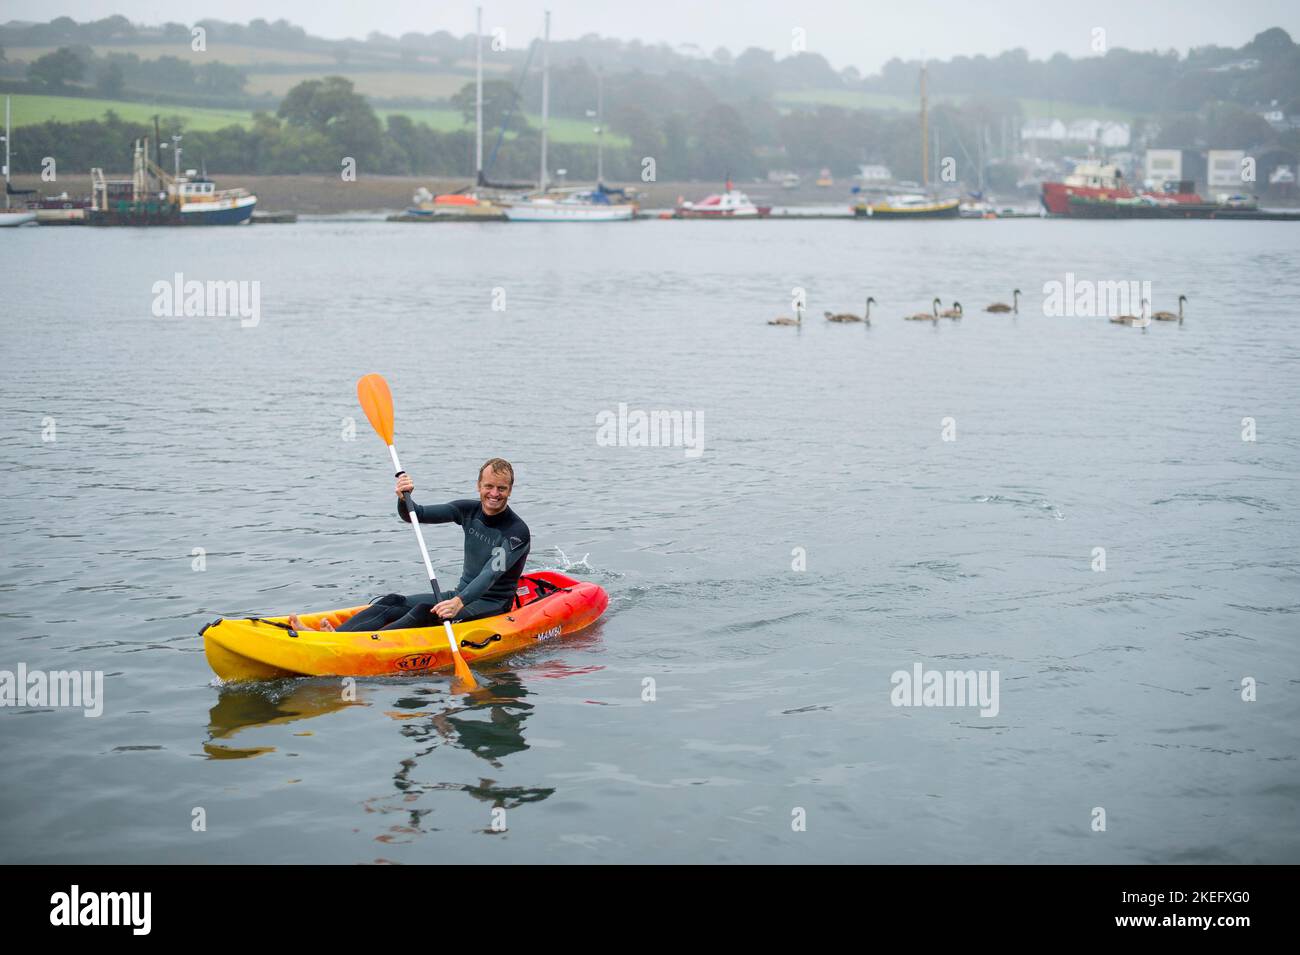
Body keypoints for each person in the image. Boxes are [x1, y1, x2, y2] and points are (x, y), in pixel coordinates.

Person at [289, 458, 530, 633]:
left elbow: (489, 574)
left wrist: (458, 603)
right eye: (489, 486)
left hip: (490, 606)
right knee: (392, 601)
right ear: (479, 486)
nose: (494, 494)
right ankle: (335, 637)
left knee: (425, 611)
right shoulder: (467, 510)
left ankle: (347, 644)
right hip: (459, 595)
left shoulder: (516, 532)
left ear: (510, 490)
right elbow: (415, 514)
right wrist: (405, 498)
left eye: (502, 488)